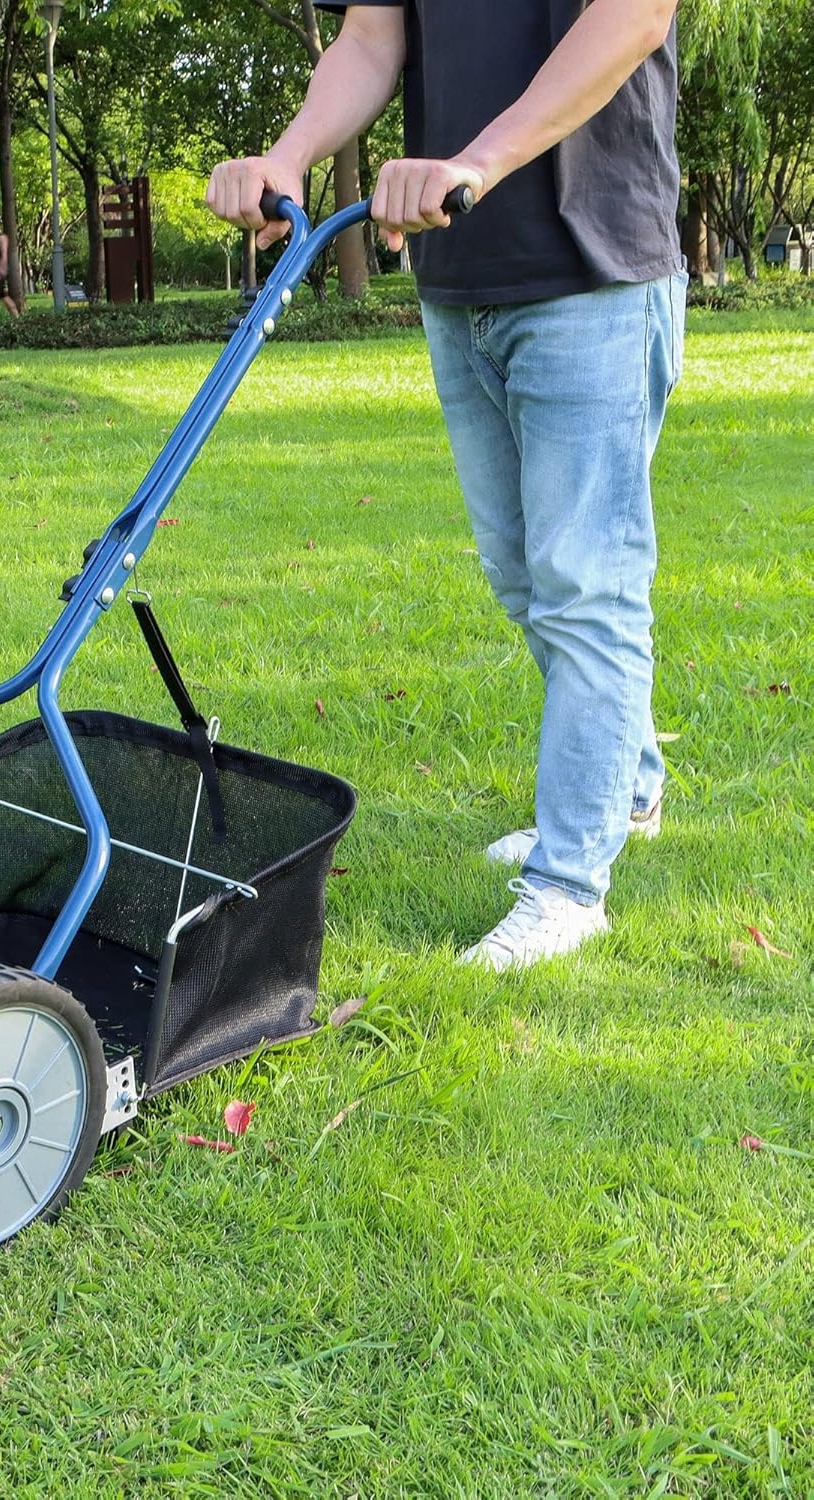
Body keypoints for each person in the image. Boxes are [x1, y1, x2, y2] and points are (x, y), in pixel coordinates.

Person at [207, 0, 686, 971]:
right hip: (460, 273)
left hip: (591, 266)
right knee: (524, 577)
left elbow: (635, 17)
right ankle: (628, 789)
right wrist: (289, 156)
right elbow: (372, 37)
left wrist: (478, 160)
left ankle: (568, 889)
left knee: (584, 586)